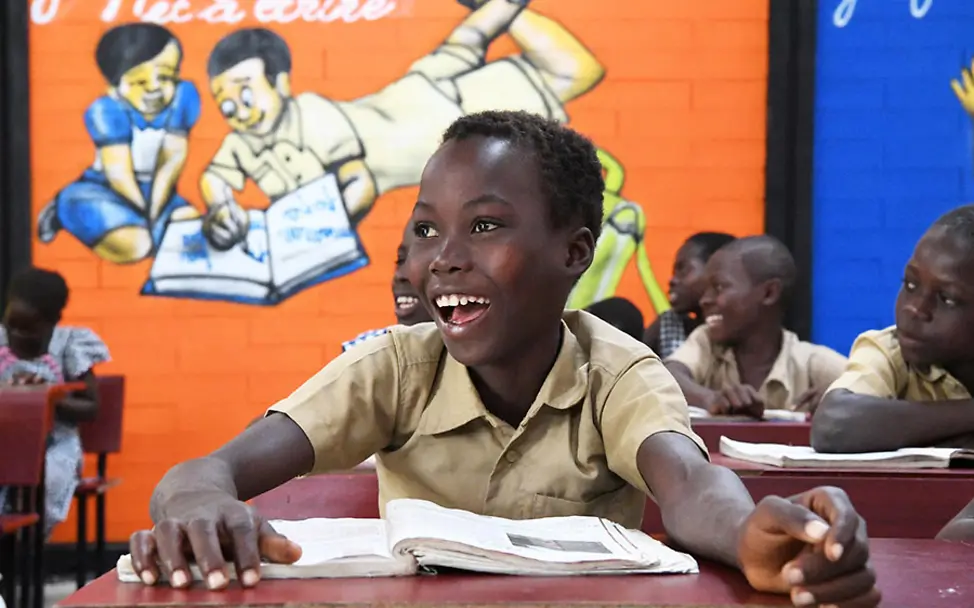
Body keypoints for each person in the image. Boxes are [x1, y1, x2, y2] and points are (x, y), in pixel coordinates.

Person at [128, 111, 878, 607]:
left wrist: (750, 537)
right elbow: (201, 473)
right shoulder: (396, 366)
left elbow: (690, 488)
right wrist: (199, 505)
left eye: (484, 225)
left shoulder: (616, 373)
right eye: (425, 231)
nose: (444, 261)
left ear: (574, 252)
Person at [199, 0, 604, 254]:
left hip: (435, 107)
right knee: (469, 43)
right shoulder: (243, 143)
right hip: (420, 113)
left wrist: (315, 236)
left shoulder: (311, 113)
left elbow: (359, 184)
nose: (238, 110)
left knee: (575, 70)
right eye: (226, 104)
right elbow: (214, 178)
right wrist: (220, 205)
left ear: (281, 84)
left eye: (246, 95)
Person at [812, 205, 974, 453]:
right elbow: (833, 426)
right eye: (910, 284)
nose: (916, 309)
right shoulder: (890, 348)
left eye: (947, 298)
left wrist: (904, 432)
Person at [36, 23, 201, 264]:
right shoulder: (106, 109)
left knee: (190, 227)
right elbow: (119, 174)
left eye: (166, 77)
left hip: (155, 191)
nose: (155, 87)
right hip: (104, 189)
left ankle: (149, 231)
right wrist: (149, 219)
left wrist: (154, 212)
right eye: (139, 82)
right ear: (114, 88)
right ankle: (63, 209)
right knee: (136, 246)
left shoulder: (183, 96)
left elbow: (170, 162)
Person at [665, 236, 847, 416]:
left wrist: (844, 397)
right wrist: (710, 399)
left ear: (769, 293)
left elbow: (870, 391)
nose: (704, 300)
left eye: (719, 287)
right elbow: (668, 376)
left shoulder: (810, 364)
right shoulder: (706, 343)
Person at [0, 268, 111, 537]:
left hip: (57, 444)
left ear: (53, 322)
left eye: (27, 329)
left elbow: (92, 407)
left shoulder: (70, 344)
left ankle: (30, 545)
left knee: (50, 478)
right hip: (6, 441)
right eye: (10, 324)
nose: (16, 334)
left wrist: (47, 397)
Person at [643, 232, 736, 358]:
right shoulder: (668, 326)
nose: (672, 280)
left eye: (682, 269)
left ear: (715, 269)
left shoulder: (740, 330)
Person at [342, 224, 434, 352]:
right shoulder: (363, 355)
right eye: (400, 261)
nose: (399, 276)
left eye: (421, 263)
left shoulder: (466, 360)